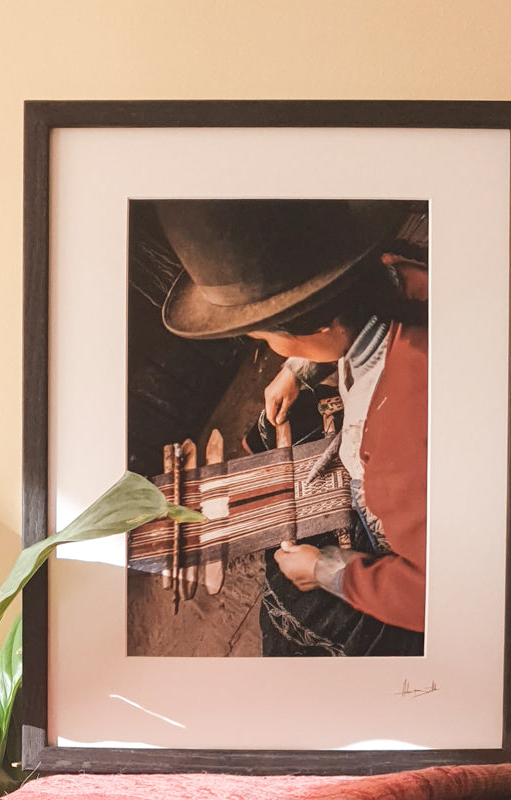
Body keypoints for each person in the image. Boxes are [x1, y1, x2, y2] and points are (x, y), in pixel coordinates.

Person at [154, 199, 428, 656]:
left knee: (287, 607)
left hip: (419, 559)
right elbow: (353, 312)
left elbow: (434, 594)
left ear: (315, 322)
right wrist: (296, 369)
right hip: (400, 471)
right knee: (275, 431)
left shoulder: (402, 434)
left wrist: (329, 571)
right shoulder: (396, 268)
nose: (265, 346)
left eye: (265, 337)